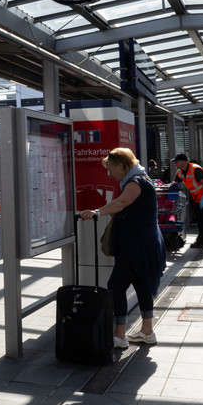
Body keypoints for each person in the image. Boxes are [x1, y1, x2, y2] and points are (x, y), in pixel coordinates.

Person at [80, 147, 166, 349]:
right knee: (141, 284)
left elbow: (122, 202)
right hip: (144, 242)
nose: (109, 174)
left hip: (136, 245)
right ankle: (147, 331)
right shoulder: (140, 179)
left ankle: (119, 335)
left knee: (115, 286)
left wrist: (96, 212)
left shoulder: (135, 183)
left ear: (122, 165)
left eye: (111, 169)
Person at [174, 153, 203, 248]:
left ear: (183, 161)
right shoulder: (180, 172)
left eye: (176, 161)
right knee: (200, 218)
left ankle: (201, 241)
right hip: (197, 197)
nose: (175, 163)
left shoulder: (195, 169)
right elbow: (175, 183)